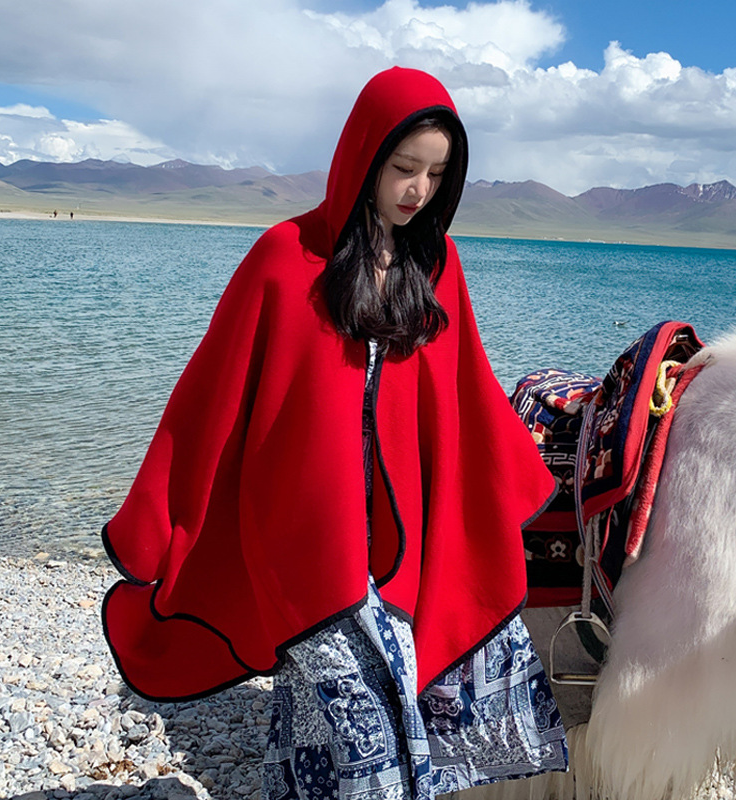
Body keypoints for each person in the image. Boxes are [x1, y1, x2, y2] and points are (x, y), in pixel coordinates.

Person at [102, 67, 567, 798]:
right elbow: (211, 396)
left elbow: (466, 392)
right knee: (359, 720)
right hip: (302, 540)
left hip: (399, 541)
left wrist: (512, 480)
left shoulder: (435, 264)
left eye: (436, 174)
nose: (418, 190)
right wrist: (156, 519)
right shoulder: (284, 257)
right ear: (362, 156)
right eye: (404, 167)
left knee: (339, 716)